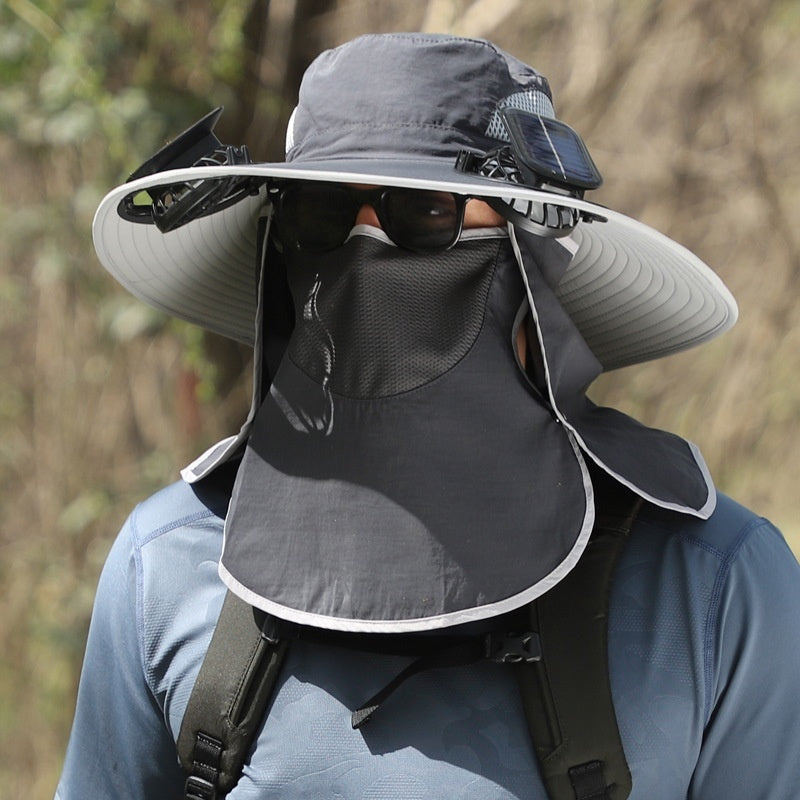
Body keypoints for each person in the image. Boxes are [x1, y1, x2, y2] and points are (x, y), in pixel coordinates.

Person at [56, 33, 800, 800]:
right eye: (323, 210)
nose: (364, 245)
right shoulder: (171, 565)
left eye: (424, 210)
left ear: (530, 251)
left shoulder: (711, 586)